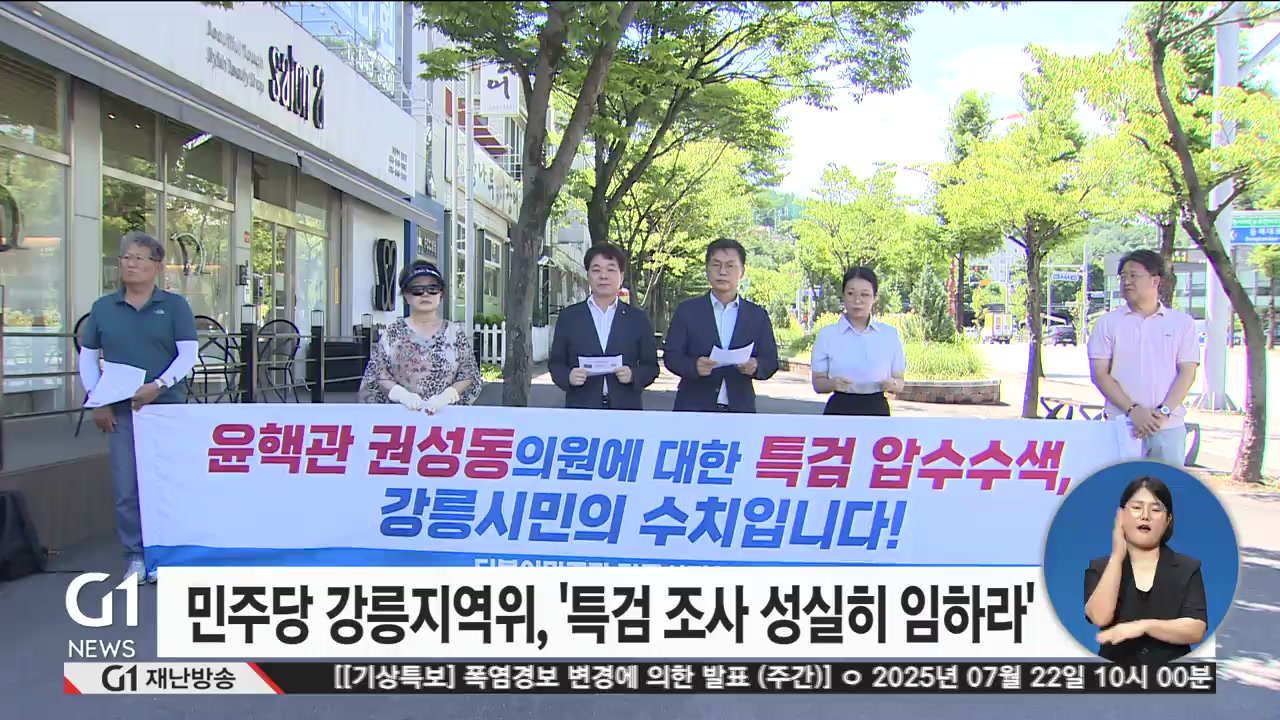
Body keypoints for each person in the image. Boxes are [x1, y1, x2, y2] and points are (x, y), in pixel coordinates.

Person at [78, 231, 199, 585]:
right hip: (120, 410)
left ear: (156, 266)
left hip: (166, 409)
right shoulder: (104, 308)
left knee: (168, 482)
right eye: (125, 257)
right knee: (126, 486)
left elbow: (187, 354)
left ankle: (169, 553)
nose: (130, 264)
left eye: (139, 258)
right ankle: (135, 556)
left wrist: (158, 385)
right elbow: (88, 357)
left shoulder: (174, 306)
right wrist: (96, 399)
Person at [1087, 249, 1199, 466]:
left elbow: (1187, 372)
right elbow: (1100, 374)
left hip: (1168, 427)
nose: (1126, 282)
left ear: (1155, 280)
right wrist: (1133, 411)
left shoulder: (1182, 323)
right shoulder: (1107, 324)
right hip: (1121, 426)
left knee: (1166, 487)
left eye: (1133, 276)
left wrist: (1163, 412)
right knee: (1122, 486)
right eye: (1123, 277)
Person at [1083, 476, 1208, 664]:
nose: (1145, 516)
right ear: (1121, 515)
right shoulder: (1100, 568)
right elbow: (1100, 618)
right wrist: (1117, 556)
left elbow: (1195, 630)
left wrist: (1144, 627)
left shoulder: (1187, 568)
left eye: (1156, 509)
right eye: (1136, 507)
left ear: (1168, 520)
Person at [663, 237, 779, 413]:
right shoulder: (687, 311)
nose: (722, 272)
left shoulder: (757, 315)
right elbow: (671, 356)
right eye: (716, 265)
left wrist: (755, 366)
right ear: (707, 270)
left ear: (742, 271)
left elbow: (770, 361)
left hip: (740, 409)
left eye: (730, 266)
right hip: (693, 408)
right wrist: (694, 366)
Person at [358, 259, 483, 413]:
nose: (425, 294)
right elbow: (377, 375)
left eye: (433, 288)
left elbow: (469, 375)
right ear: (406, 295)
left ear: (441, 293)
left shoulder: (455, 334)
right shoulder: (392, 334)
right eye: (417, 289)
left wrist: (449, 394)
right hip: (401, 420)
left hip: (446, 418)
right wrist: (399, 393)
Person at [548, 243, 659, 409]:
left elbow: (651, 367)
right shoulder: (569, 317)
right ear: (588, 275)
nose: (603, 276)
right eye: (596, 270)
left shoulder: (638, 319)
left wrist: (633, 375)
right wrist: (568, 377)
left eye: (611, 269)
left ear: (621, 277)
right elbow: (556, 364)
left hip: (626, 410)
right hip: (581, 408)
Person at [810, 266, 906, 416]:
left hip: (877, 409)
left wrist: (891, 384)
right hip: (840, 409)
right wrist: (833, 384)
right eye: (851, 293)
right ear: (843, 296)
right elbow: (818, 383)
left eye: (865, 294)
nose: (857, 300)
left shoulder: (889, 335)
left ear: (875, 298)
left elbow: (899, 383)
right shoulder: (828, 335)